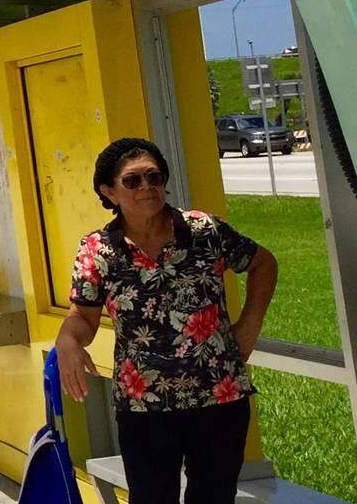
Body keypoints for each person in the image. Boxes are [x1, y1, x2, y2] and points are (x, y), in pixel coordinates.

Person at [55, 137, 278, 504]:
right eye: (133, 180)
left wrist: (249, 327)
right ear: (109, 192)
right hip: (145, 405)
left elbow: (263, 263)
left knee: (215, 498)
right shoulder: (98, 250)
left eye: (154, 177)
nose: (147, 187)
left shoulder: (203, 231)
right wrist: (68, 341)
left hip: (218, 396)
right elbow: (83, 316)